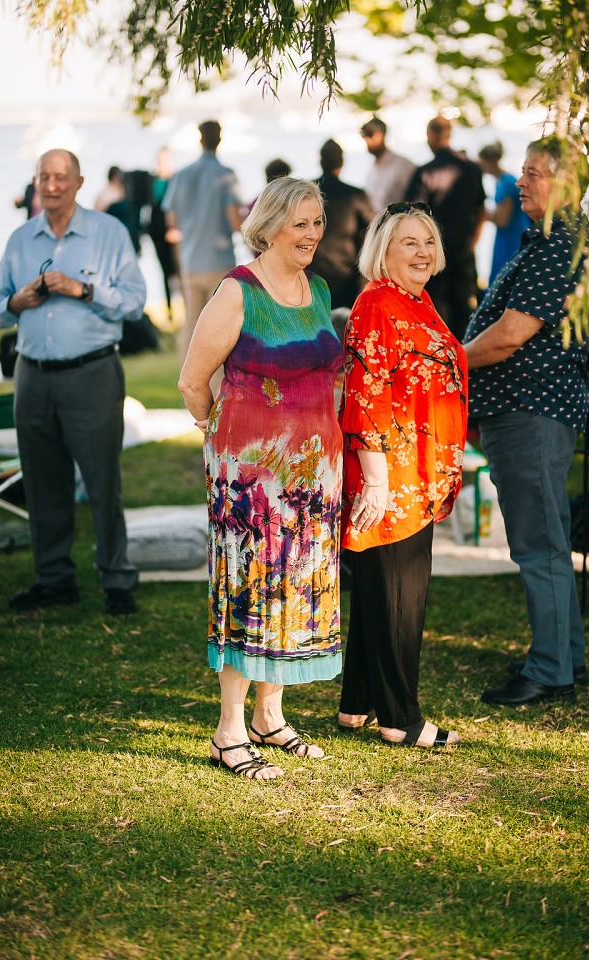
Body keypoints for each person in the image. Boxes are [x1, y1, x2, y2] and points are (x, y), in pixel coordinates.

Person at [178, 178, 343, 780]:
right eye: (300, 223)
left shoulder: (318, 289)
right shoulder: (237, 290)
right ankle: (228, 732)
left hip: (313, 479)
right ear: (269, 226)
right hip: (251, 486)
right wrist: (216, 433)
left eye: (317, 222)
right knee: (250, 595)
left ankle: (269, 717)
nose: (312, 234)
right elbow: (193, 379)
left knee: (293, 591)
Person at [463, 137, 589, 706]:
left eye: (533, 173)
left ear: (565, 184)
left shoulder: (558, 246)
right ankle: (567, 657)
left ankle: (549, 670)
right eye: (522, 171)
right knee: (547, 540)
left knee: (538, 545)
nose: (521, 182)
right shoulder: (553, 241)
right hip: (528, 409)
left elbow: (510, 335)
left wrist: (447, 361)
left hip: (531, 411)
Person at [337, 200, 467, 749]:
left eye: (428, 241)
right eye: (408, 242)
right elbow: (365, 394)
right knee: (399, 596)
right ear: (382, 250)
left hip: (417, 472)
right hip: (392, 476)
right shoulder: (378, 303)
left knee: (378, 591)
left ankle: (357, 704)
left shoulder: (415, 300)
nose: (422, 251)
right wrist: (377, 480)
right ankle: (401, 718)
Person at [0, 149, 146, 615]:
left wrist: (83, 289)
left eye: (61, 176)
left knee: (102, 481)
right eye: (44, 176)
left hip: (92, 373)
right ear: (36, 182)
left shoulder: (109, 233)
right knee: (41, 482)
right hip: (33, 376)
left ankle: (116, 580)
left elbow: (135, 302)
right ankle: (54, 579)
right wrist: (17, 302)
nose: (52, 185)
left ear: (79, 182)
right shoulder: (20, 239)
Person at [163, 120, 243, 360]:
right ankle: (217, 380)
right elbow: (234, 221)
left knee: (192, 322)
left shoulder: (182, 174)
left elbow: (172, 220)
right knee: (220, 325)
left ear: (200, 139)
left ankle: (187, 376)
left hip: (190, 258)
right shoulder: (226, 175)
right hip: (219, 260)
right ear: (219, 139)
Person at [405, 115, 486, 341]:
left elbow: (413, 217)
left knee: (435, 313)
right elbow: (481, 210)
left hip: (433, 252)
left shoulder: (425, 172)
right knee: (464, 311)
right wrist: (474, 242)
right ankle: (464, 355)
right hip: (464, 249)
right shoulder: (472, 168)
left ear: (431, 135)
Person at [310, 139, 375, 310]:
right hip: (346, 275)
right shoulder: (355, 195)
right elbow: (375, 231)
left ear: (320, 161)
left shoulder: (305, 193)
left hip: (309, 273)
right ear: (341, 163)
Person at [478, 141, 530, 285]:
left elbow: (503, 220)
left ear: (490, 162)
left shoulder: (507, 182)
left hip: (511, 237)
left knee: (504, 276)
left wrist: (481, 214)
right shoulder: (501, 181)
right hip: (506, 235)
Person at [148, 147, 179, 321]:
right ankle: (170, 312)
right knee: (165, 270)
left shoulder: (176, 179)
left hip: (174, 229)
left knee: (178, 269)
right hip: (157, 229)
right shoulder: (151, 180)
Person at [360, 116, 416, 212]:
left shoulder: (403, 165)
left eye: (370, 134)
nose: (366, 138)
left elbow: (415, 200)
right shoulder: (373, 167)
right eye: (363, 134)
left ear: (382, 134)